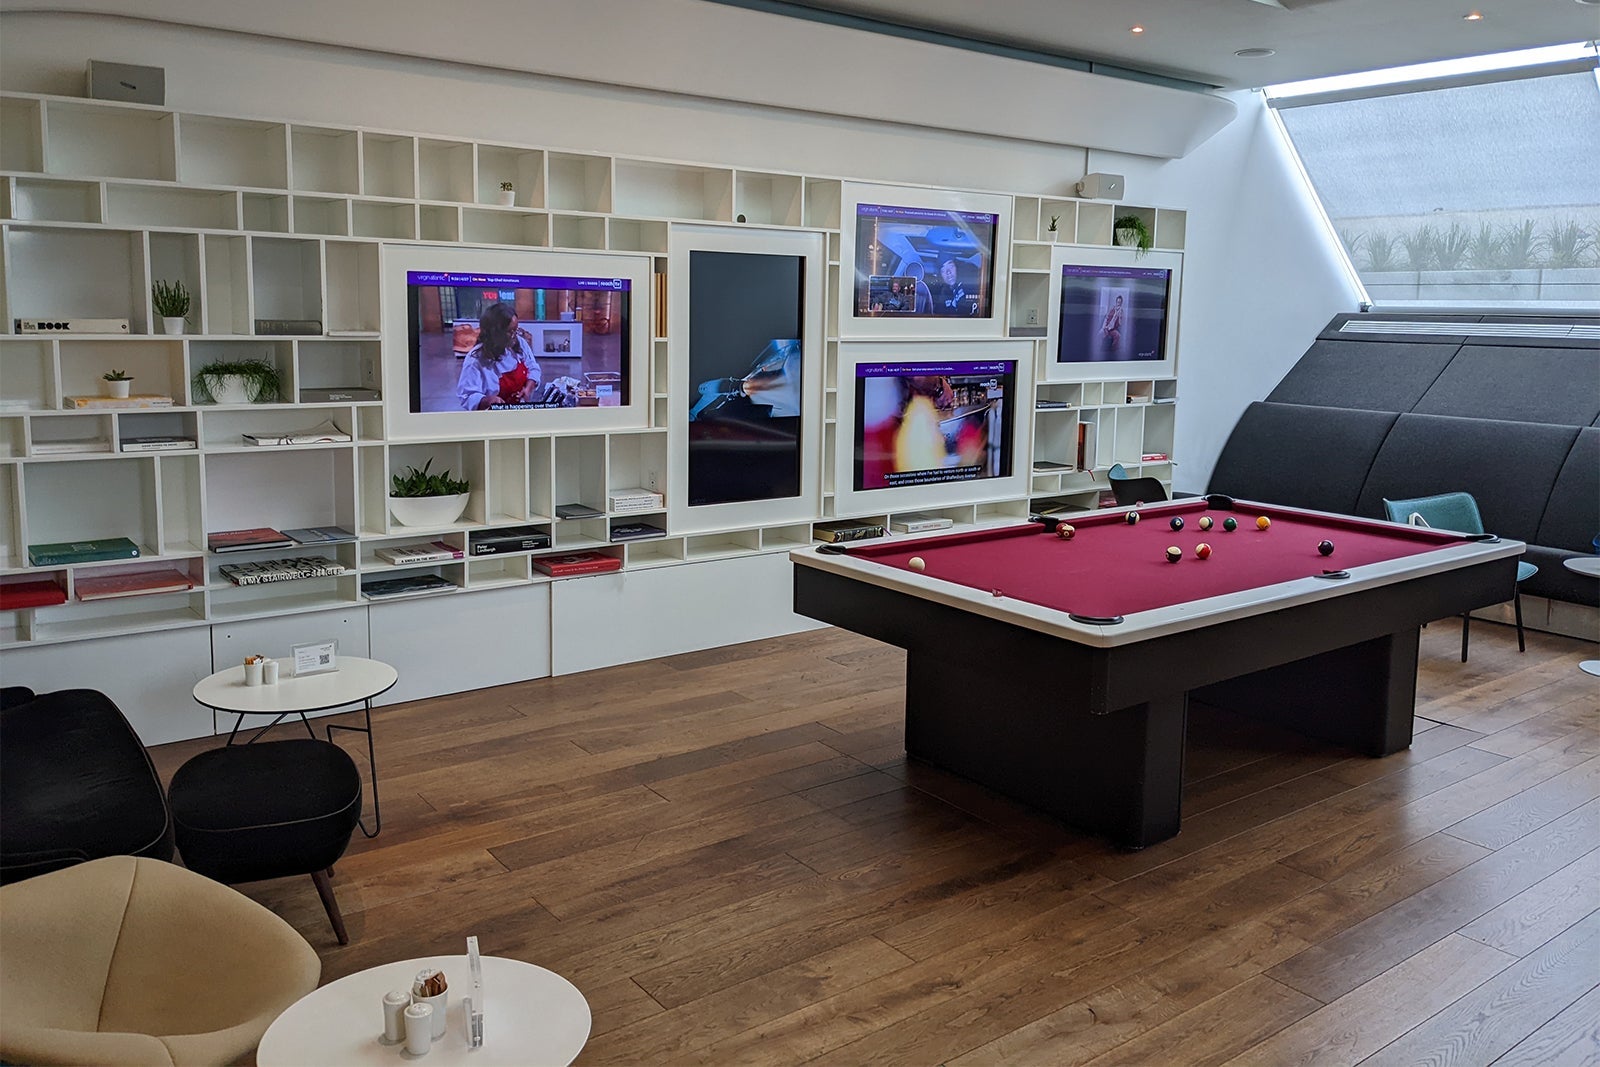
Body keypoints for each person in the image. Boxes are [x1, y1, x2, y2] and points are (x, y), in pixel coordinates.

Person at [457, 302, 541, 410]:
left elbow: (533, 367)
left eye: (516, 330)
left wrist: (528, 388)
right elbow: (467, 396)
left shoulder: (519, 344)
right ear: (494, 333)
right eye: (509, 332)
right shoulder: (476, 360)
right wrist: (487, 400)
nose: (514, 336)